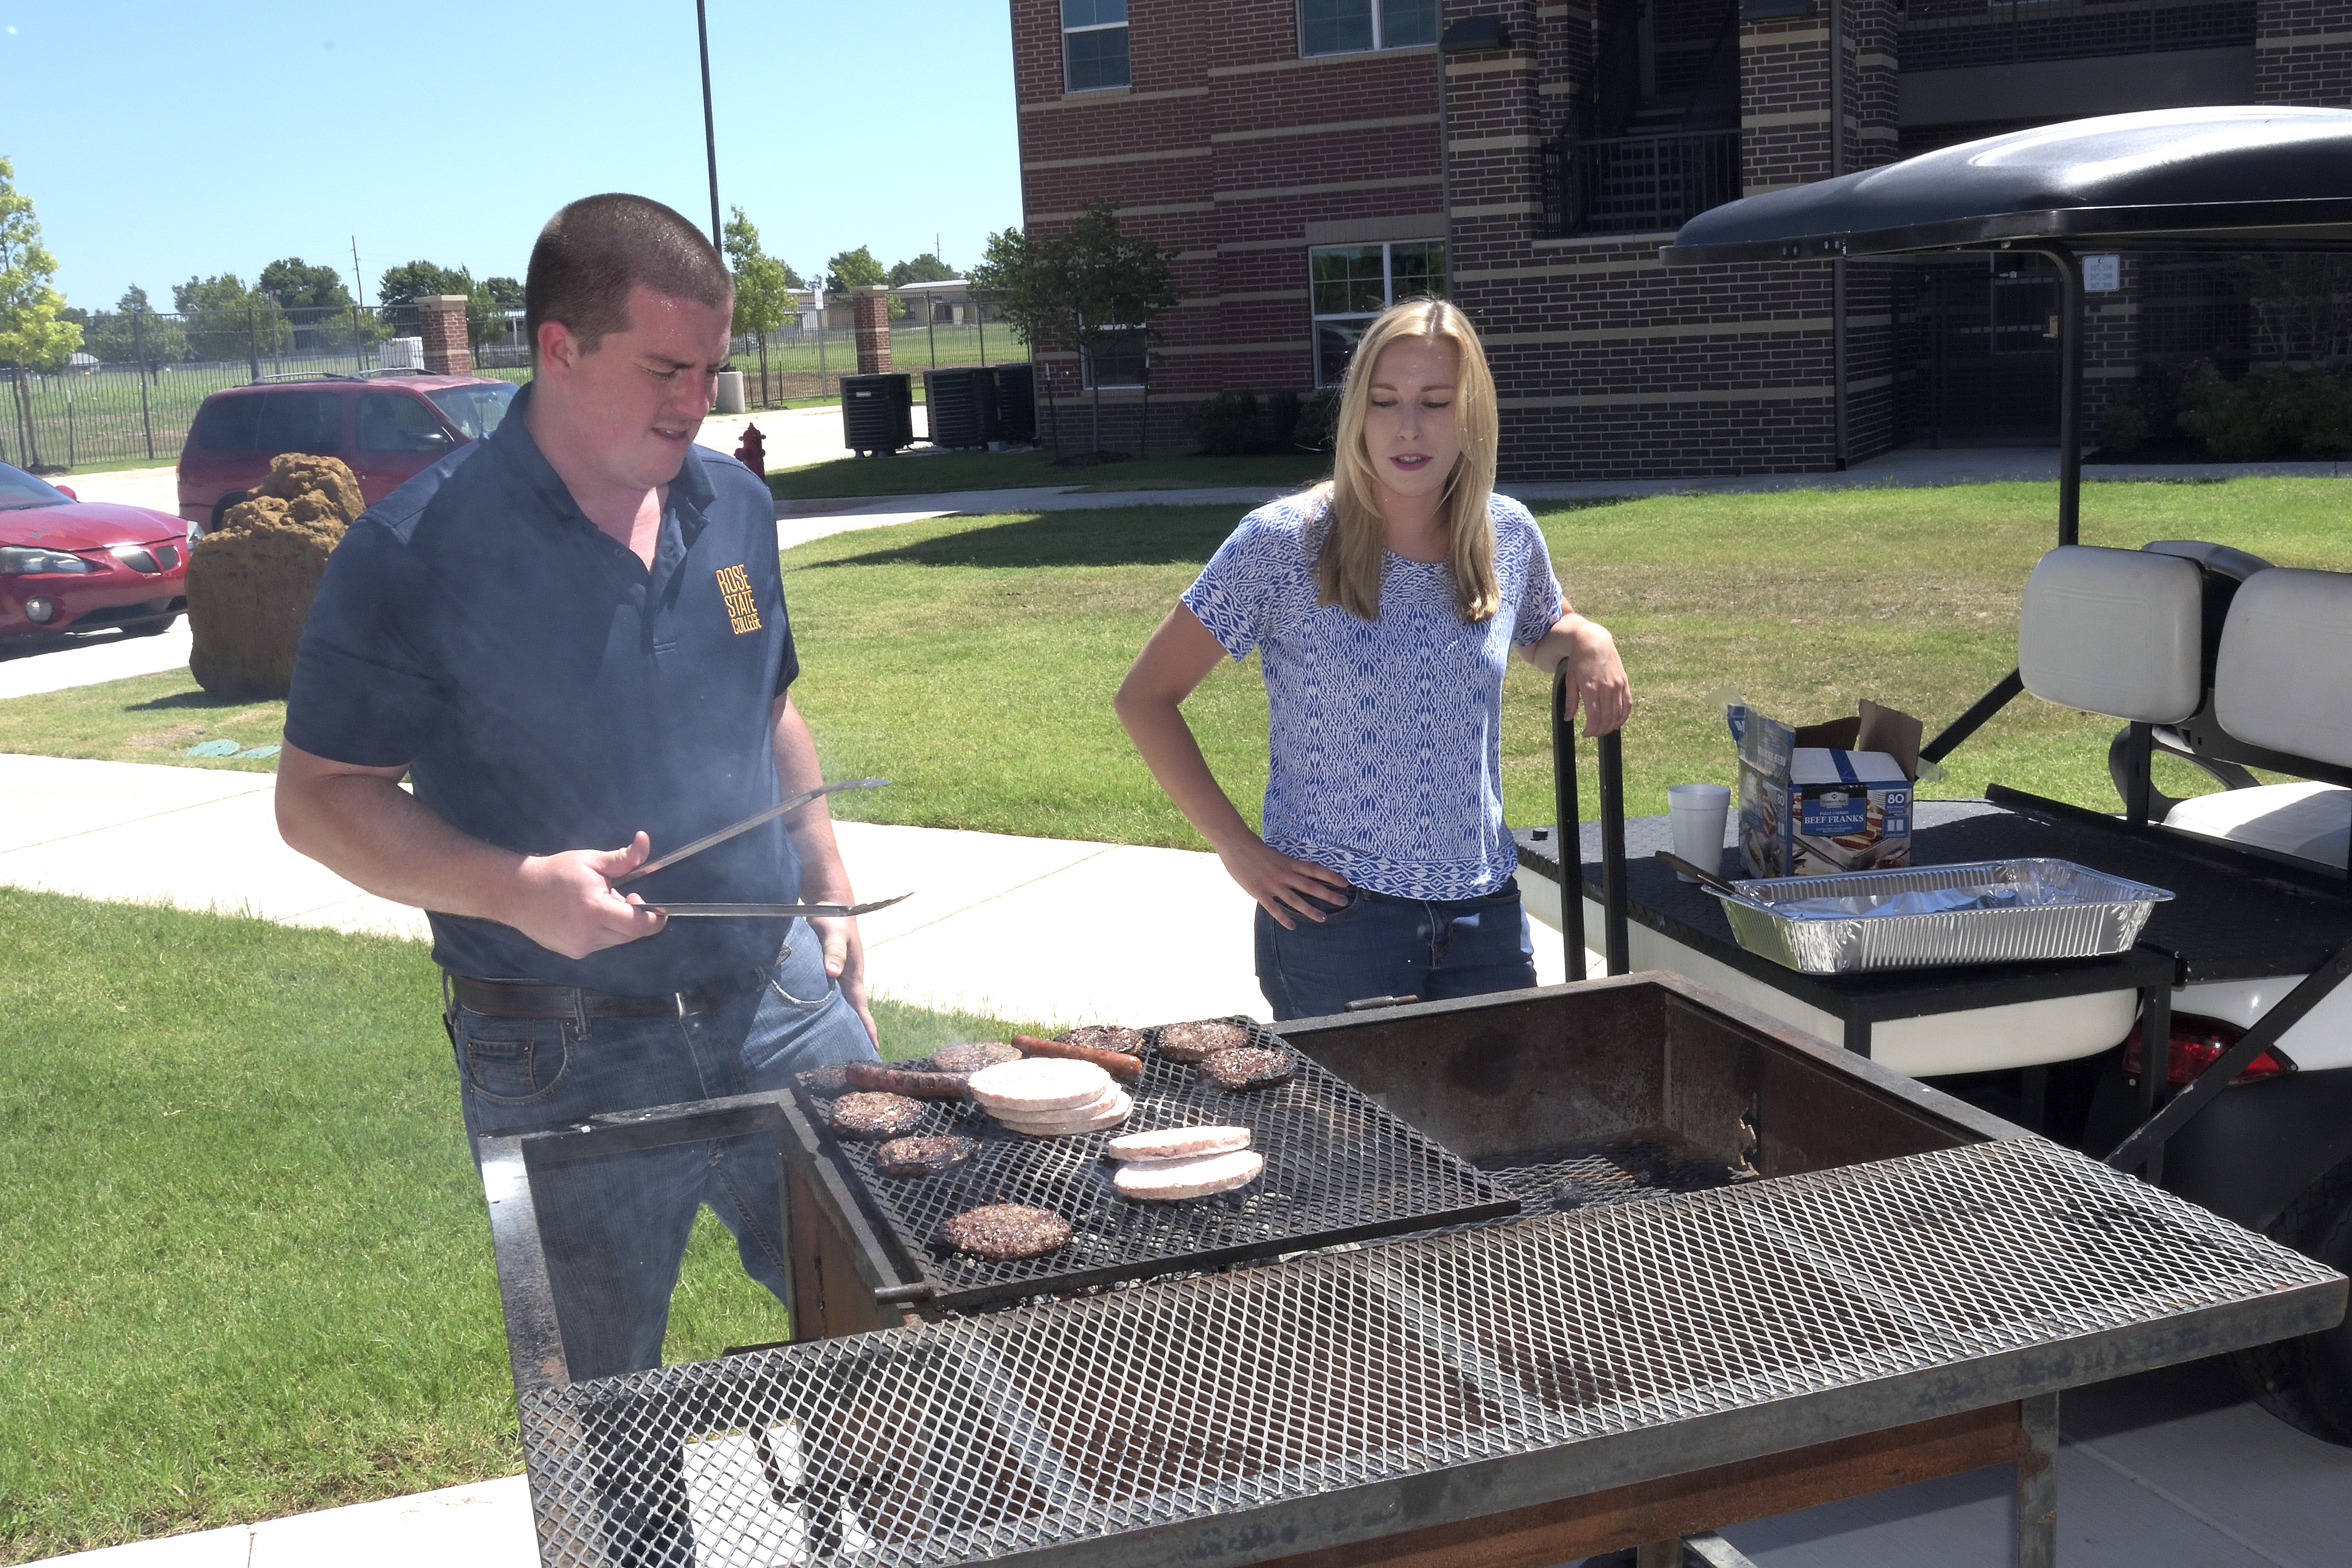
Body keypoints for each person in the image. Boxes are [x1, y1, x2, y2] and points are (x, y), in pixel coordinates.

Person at [275, 194, 878, 1383]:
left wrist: (824, 874)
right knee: (603, 1411)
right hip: (559, 1050)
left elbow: (770, 703)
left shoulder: (734, 507)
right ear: (559, 347)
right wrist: (513, 888)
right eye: (664, 368)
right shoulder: (414, 553)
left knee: (884, 1325)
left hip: (777, 999)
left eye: (710, 368)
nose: (696, 401)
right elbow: (320, 797)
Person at [1116, 297, 1631, 1021]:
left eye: (1435, 402)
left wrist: (1589, 638)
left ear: (1472, 414)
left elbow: (1544, 629)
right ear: (1358, 411)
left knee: (1497, 1131)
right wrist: (1239, 851)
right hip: (1338, 922)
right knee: (1361, 1137)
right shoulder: (1281, 543)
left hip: (1486, 912)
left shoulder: (1505, 533)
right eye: (1385, 401)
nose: (1409, 428)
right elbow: (1145, 697)